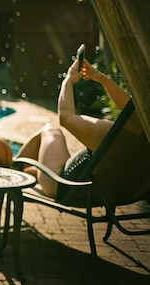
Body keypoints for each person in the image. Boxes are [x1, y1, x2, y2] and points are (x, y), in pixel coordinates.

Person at [16, 57, 131, 200]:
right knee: (42, 162)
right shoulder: (142, 138)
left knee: (50, 130)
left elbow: (66, 117)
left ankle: (11, 175)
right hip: (122, 192)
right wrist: (102, 79)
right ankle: (26, 172)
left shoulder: (112, 134)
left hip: (62, 184)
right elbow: (133, 109)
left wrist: (69, 79)